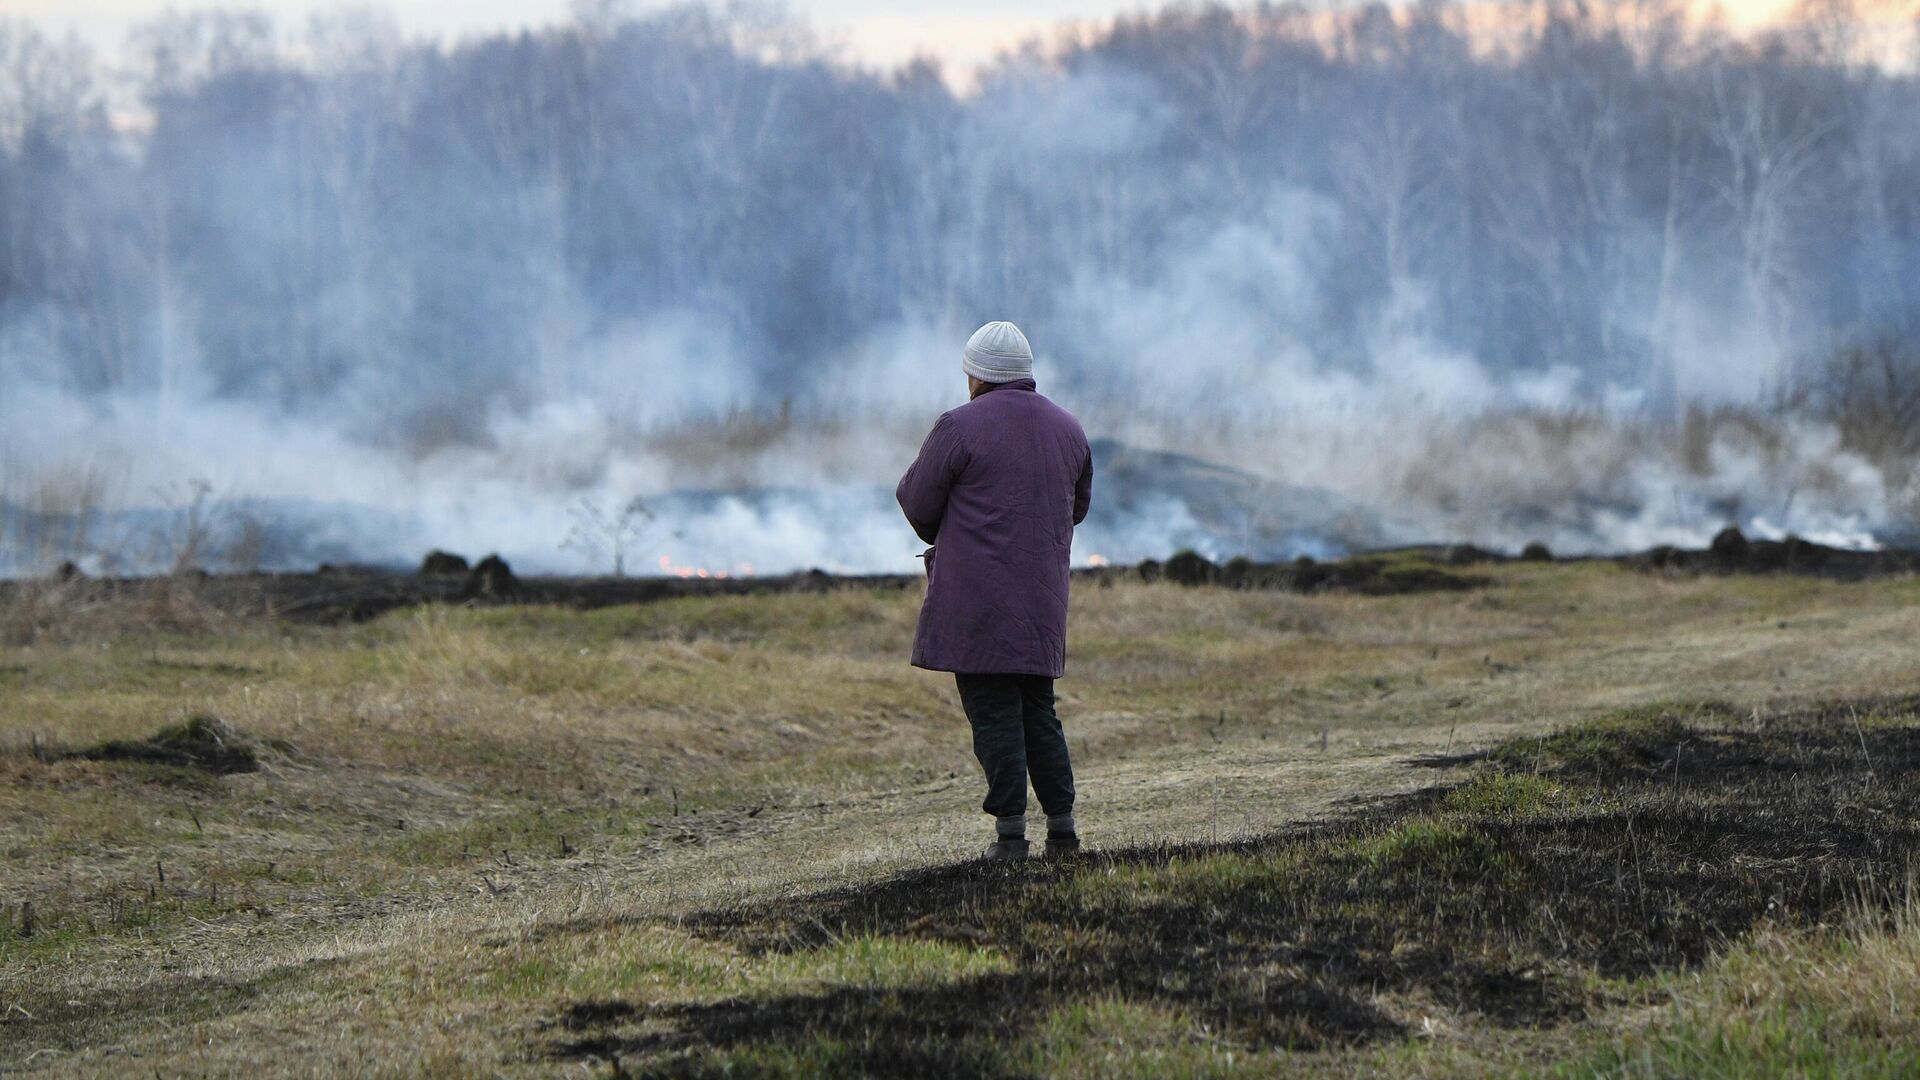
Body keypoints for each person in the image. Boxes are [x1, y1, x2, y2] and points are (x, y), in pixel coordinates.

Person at [895, 321, 1094, 861]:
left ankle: (1010, 838)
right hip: (1043, 601)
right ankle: (1063, 830)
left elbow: (916, 503)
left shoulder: (958, 427)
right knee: (1038, 710)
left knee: (994, 711)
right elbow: (1076, 509)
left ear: (977, 376)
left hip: (977, 603)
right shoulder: (1070, 429)